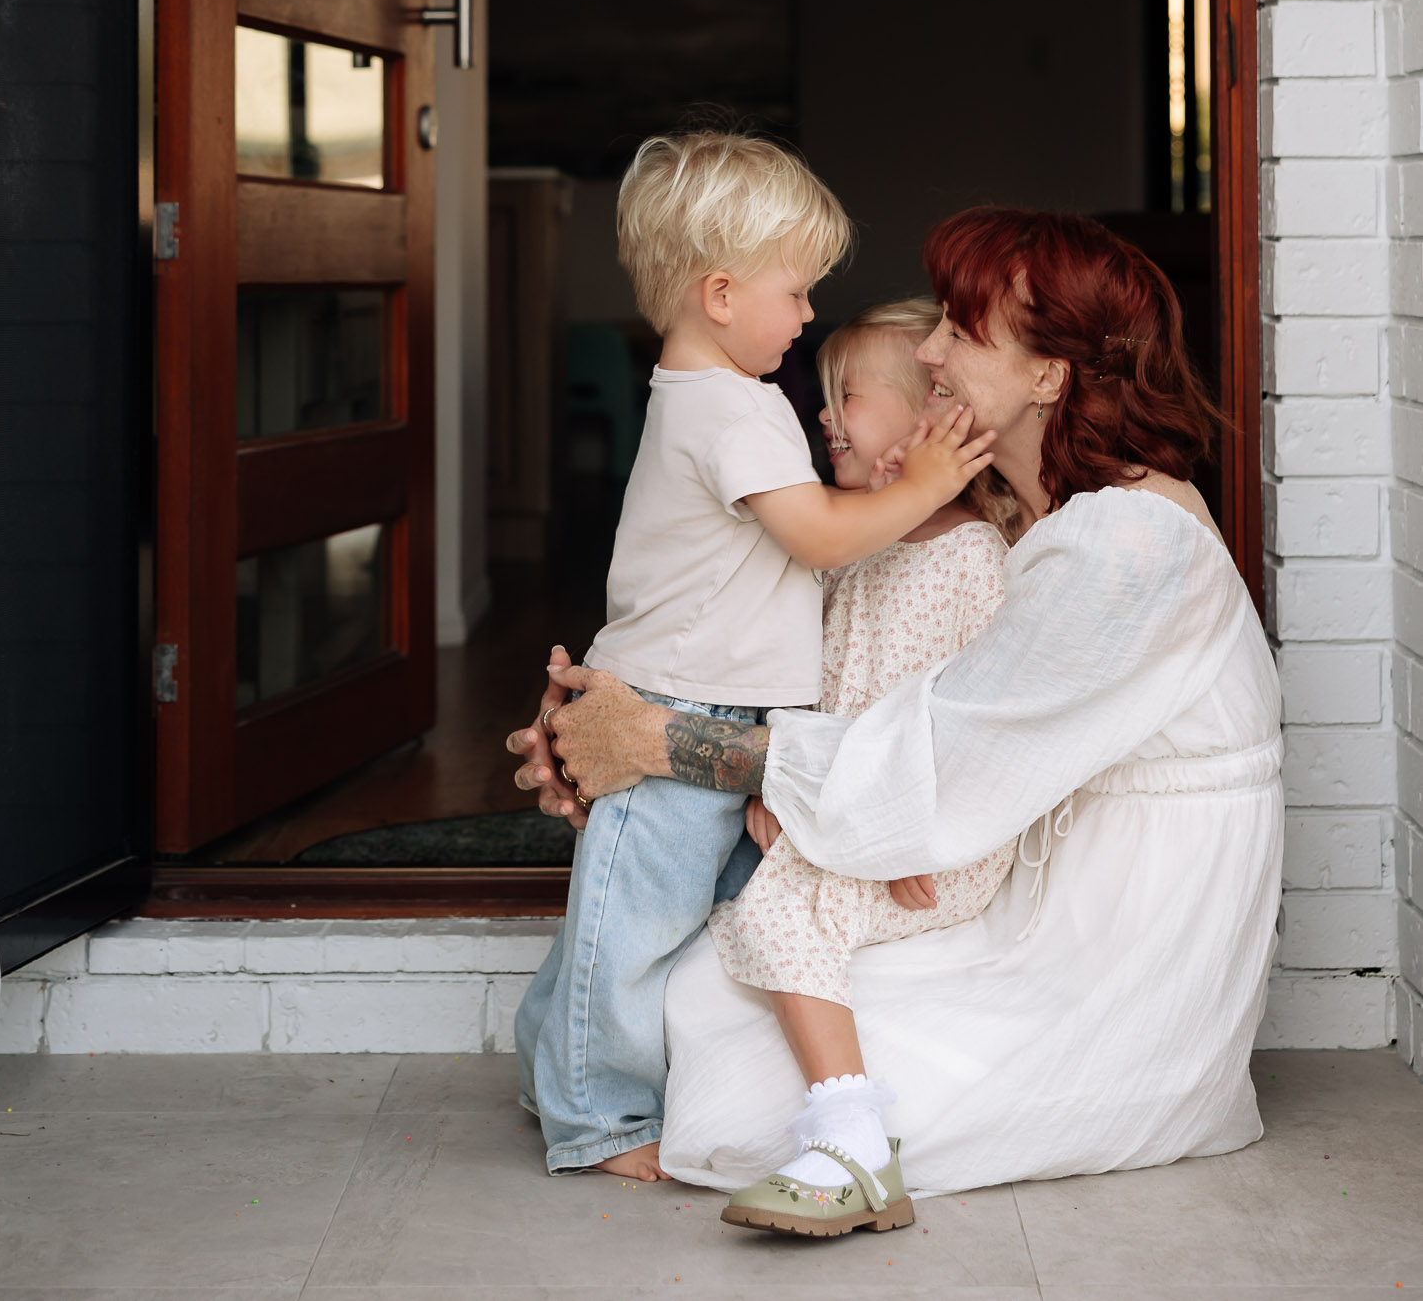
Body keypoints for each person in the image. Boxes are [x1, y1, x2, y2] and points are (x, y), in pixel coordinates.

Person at [513, 208, 1283, 1225]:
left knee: (719, 1062)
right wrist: (595, 719)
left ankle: (851, 1147)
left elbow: (939, 754)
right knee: (701, 987)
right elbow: (765, 625)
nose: (927, 350)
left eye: (960, 331)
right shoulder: (1033, 518)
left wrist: (659, 743)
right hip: (990, 867)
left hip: (1107, 944)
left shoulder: (1126, 548)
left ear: (1049, 375)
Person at [513, 132, 994, 1183]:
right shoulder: (729, 408)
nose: (808, 311)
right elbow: (819, 537)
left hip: (730, 711)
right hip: (678, 705)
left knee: (654, 915)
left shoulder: (716, 397)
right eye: (796, 289)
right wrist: (920, 485)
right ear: (720, 292)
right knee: (628, 929)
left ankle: (545, 1060)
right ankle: (598, 1122)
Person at [709, 298, 1021, 1234]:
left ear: (929, 420)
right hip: (837, 808)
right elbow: (801, 682)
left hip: (925, 834)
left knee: (780, 904)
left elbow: (976, 730)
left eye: (845, 394)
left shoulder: (972, 559)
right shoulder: (845, 543)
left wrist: (910, 833)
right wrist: (775, 784)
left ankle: (851, 1141)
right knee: (769, 883)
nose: (822, 414)